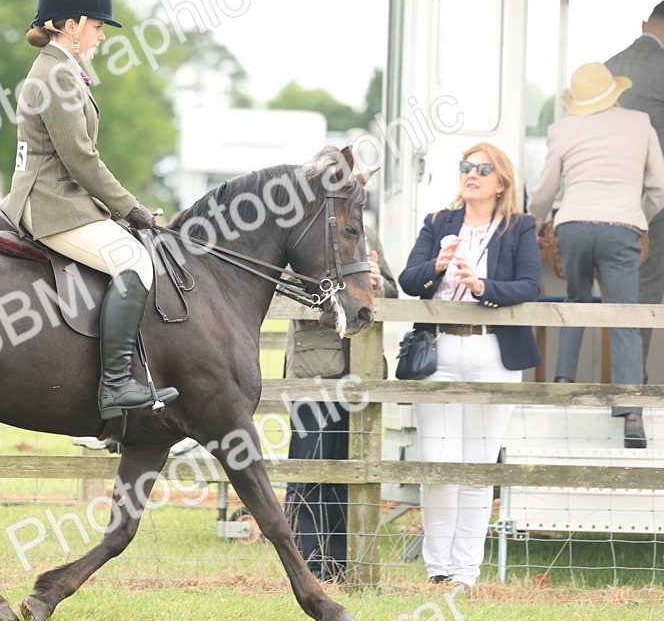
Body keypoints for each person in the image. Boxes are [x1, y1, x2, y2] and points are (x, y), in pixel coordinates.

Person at [0, 0, 179, 419]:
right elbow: (80, 158)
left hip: (63, 202)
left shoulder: (61, 71)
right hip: (50, 207)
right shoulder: (56, 76)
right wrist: (131, 209)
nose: (100, 36)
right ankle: (115, 385)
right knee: (135, 260)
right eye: (97, 26)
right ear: (71, 24)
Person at [400, 143, 542, 587]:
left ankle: (466, 572)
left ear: (501, 182)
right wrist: (436, 266)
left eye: (483, 169)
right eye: (466, 167)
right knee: (437, 464)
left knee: (477, 467)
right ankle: (438, 569)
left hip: (493, 353)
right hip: (439, 351)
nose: (472, 175)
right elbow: (408, 280)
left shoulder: (519, 227)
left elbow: (530, 285)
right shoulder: (439, 222)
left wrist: (483, 286)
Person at [528, 62, 664, 447]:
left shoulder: (563, 128)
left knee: (576, 301)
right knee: (624, 316)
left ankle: (563, 384)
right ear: (615, 92)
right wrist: (640, 218)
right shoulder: (640, 122)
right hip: (622, 227)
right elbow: (659, 187)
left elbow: (545, 189)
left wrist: (537, 222)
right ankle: (631, 415)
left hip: (572, 226)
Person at [284, 225, 395, 583]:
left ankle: (343, 564)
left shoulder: (366, 232)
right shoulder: (297, 234)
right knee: (309, 469)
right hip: (312, 371)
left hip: (360, 372)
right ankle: (307, 565)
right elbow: (285, 288)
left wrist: (377, 283)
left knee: (352, 473)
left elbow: (393, 288)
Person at [606, 1, 664, 376]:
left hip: (607, 205)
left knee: (623, 297)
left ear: (645, 24)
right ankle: (634, 392)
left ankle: (627, 390)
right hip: (654, 204)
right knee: (646, 293)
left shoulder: (606, 68)